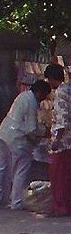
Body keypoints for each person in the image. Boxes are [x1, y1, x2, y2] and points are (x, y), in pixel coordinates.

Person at [0, 79, 49, 210]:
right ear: (40, 93)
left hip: (4, 134)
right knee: (20, 170)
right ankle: (16, 202)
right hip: (17, 139)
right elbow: (31, 129)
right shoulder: (32, 102)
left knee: (1, 167)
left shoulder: (23, 96)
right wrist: (37, 140)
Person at [49, 69, 71, 217]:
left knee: (58, 176)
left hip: (62, 142)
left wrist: (57, 140)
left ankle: (60, 207)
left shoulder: (61, 92)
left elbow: (63, 118)